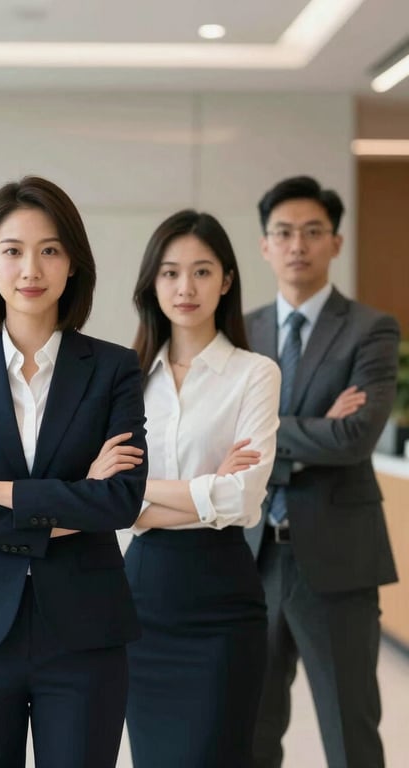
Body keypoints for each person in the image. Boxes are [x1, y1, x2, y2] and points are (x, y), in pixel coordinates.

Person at [0, 175, 148, 768]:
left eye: (49, 250)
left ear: (73, 263)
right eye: (12, 250)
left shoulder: (115, 368)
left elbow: (120, 501)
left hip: (86, 635)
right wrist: (70, 502)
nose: (30, 268)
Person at [245, 175, 400, 768]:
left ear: (336, 242)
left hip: (337, 562)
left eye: (313, 232)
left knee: (349, 730)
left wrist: (267, 430)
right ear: (265, 245)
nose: (297, 245)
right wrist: (313, 427)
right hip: (252, 557)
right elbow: (223, 438)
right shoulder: (242, 329)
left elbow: (354, 438)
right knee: (251, 729)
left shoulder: (371, 328)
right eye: (283, 233)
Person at [118, 209, 281, 767]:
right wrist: (206, 490)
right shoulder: (125, 379)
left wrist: (145, 495)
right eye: (169, 273)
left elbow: (245, 500)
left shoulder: (255, 373)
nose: (185, 287)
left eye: (202, 271)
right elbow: (112, 505)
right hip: (143, 602)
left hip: (222, 603)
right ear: (151, 283)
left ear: (227, 280)